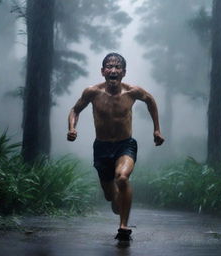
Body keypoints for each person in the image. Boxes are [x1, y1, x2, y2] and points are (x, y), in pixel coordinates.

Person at [67, 52, 164, 241]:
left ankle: (123, 226)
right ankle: (116, 199)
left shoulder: (132, 92)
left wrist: (157, 130)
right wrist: (72, 127)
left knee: (122, 177)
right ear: (103, 71)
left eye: (117, 67)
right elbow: (74, 110)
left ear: (124, 72)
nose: (113, 70)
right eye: (109, 67)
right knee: (110, 196)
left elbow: (150, 100)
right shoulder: (92, 92)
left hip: (125, 145)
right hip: (102, 148)